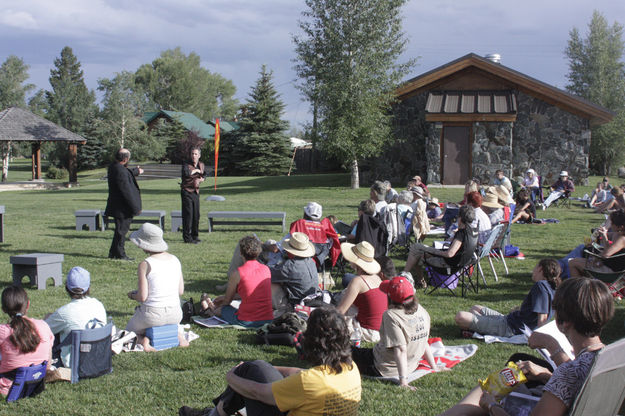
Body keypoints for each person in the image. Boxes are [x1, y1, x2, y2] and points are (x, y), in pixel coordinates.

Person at [439, 277, 614, 416]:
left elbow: (569, 378)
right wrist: (547, 375)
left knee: (481, 394)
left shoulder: (567, 374)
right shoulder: (611, 357)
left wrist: (492, 406)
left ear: (563, 322)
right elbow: (577, 386)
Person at [179, 307, 361, 416]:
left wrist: (231, 376)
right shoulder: (351, 370)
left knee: (252, 369)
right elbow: (300, 374)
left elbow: (257, 392)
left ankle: (213, 413)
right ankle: (216, 411)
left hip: (271, 397)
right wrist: (270, 367)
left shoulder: (309, 382)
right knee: (259, 368)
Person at [350, 276, 444, 391]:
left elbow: (400, 349)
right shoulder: (421, 310)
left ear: (390, 297)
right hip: (411, 365)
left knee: (343, 352)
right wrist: (433, 366)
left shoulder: (391, 315)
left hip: (382, 367)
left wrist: (403, 381)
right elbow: (424, 341)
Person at [454, 259, 561, 337]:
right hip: (510, 319)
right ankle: (479, 328)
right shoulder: (553, 288)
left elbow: (542, 318)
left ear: (540, 269)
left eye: (535, 267)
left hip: (511, 328)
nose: (533, 271)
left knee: (460, 317)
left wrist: (540, 339)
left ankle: (478, 330)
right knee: (475, 308)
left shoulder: (541, 286)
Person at [125, 223, 188, 352]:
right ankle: (179, 336)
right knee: (170, 324)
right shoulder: (175, 259)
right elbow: (180, 291)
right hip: (175, 313)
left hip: (152, 314)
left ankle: (144, 340)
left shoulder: (145, 264)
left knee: (128, 332)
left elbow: (143, 297)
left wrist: (132, 295)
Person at [402, 205, 478, 289]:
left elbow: (449, 254)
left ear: (460, 218)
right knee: (417, 252)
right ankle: (417, 280)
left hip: (448, 266)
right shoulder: (473, 231)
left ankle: (405, 276)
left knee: (416, 249)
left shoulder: (461, 233)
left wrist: (434, 251)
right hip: (461, 264)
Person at [45, 267, 107, 368]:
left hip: (75, 363)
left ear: (67, 287)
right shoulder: (98, 304)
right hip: (98, 359)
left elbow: (40, 332)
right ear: (88, 287)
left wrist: (46, 318)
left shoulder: (64, 313)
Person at [0, 286, 54, 396]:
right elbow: (48, 364)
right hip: (36, 383)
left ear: (3, 309)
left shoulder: (3, 331)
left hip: (8, 387)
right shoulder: (43, 326)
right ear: (28, 305)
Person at [209, 236, 273, 328]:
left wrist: (222, 302)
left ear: (241, 252)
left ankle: (209, 310)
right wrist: (224, 297)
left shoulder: (237, 274)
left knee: (222, 309)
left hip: (246, 320)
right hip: (267, 318)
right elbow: (251, 293)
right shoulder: (266, 269)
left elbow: (227, 302)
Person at [337, 241, 387, 343]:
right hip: (382, 330)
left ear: (356, 262)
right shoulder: (377, 278)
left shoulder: (358, 281)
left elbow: (340, 311)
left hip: (367, 332)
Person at [105, 148, 142, 260]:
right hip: (122, 208)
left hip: (118, 206)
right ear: (126, 159)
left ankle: (113, 253)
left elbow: (126, 173)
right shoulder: (120, 171)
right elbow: (127, 191)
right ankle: (120, 254)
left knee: (119, 231)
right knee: (122, 232)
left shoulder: (114, 167)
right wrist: (135, 208)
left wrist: (136, 171)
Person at [568, 209, 625, 277]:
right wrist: (601, 232)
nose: (611, 225)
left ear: (620, 227)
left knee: (572, 263)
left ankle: (579, 286)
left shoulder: (622, 239)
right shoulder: (618, 233)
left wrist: (604, 236)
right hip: (609, 265)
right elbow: (608, 236)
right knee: (576, 257)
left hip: (611, 272)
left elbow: (605, 255)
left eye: (612, 223)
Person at [270, 232, 318, 308]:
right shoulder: (311, 261)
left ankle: (281, 310)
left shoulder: (290, 266)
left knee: (270, 283)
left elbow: (270, 274)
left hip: (297, 304)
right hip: (312, 299)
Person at [289, 202, 341, 267]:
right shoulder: (325, 227)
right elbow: (331, 245)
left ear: (305, 214)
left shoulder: (299, 224)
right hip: (320, 262)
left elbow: (287, 242)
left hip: (301, 262)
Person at [180, 147, 205, 244]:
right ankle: (187, 237)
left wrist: (202, 179)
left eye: (195, 154)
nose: (193, 156)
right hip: (186, 191)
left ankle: (195, 236)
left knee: (196, 215)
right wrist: (196, 171)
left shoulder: (201, 165)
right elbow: (186, 173)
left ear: (199, 155)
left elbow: (204, 175)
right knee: (188, 215)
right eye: (192, 154)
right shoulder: (186, 164)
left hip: (196, 192)